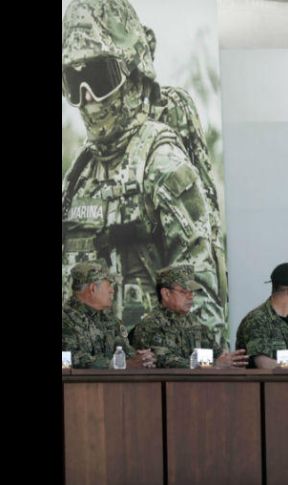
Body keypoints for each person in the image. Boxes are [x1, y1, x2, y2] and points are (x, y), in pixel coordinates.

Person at [61, 0, 226, 334]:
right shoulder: (78, 175)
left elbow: (200, 295)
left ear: (133, 73)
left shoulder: (161, 162)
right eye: (73, 82)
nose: (87, 97)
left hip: (154, 373)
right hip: (87, 370)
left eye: (97, 77)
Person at [131, 265, 248, 368]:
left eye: (192, 292)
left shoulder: (193, 321)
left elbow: (216, 352)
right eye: (184, 292)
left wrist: (227, 360)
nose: (190, 297)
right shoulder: (151, 324)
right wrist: (214, 364)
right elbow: (168, 362)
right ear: (166, 294)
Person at [62, 261, 156, 369]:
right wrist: (117, 365)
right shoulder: (65, 318)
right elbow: (66, 361)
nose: (112, 290)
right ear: (93, 288)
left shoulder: (110, 319)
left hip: (113, 385)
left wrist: (142, 358)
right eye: (108, 285)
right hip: (77, 385)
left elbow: (126, 352)